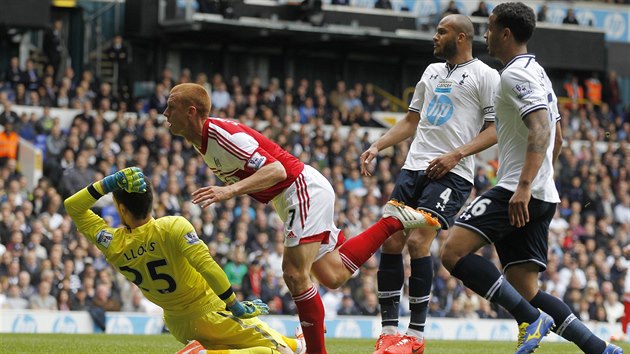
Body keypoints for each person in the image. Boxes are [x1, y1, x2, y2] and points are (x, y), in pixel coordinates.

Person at [163, 83, 439, 354]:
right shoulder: (200, 141)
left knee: (294, 274)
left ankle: (315, 351)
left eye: (170, 107)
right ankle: (392, 222)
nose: (165, 113)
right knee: (332, 275)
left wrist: (229, 190)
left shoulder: (221, 136)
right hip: (291, 196)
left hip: (299, 189)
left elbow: (277, 171)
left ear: (190, 112)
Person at [440, 3, 623, 354]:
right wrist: (540, 180)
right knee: (525, 286)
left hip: (517, 189)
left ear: (505, 33)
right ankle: (600, 349)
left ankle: (529, 319)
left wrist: (524, 186)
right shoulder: (537, 71)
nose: (486, 34)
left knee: (453, 252)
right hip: (542, 193)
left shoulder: (514, 75)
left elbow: (540, 128)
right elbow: (558, 134)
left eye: (490, 27)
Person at [359, 14, 500, 354]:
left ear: (462, 37)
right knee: (392, 240)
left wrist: (456, 155)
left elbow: (496, 130)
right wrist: (378, 145)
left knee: (419, 240)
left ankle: (417, 336)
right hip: (413, 168)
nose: (435, 37)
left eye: (442, 31)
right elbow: (411, 121)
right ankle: (389, 333)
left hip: (453, 172)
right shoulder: (431, 72)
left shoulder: (486, 76)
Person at [64, 167, 305, 354]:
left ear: (121, 209)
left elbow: (73, 207)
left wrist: (107, 183)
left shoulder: (112, 243)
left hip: (178, 323)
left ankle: (298, 341)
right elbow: (207, 266)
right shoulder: (171, 227)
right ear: (152, 201)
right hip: (211, 312)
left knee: (279, 343)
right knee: (282, 352)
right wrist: (234, 305)